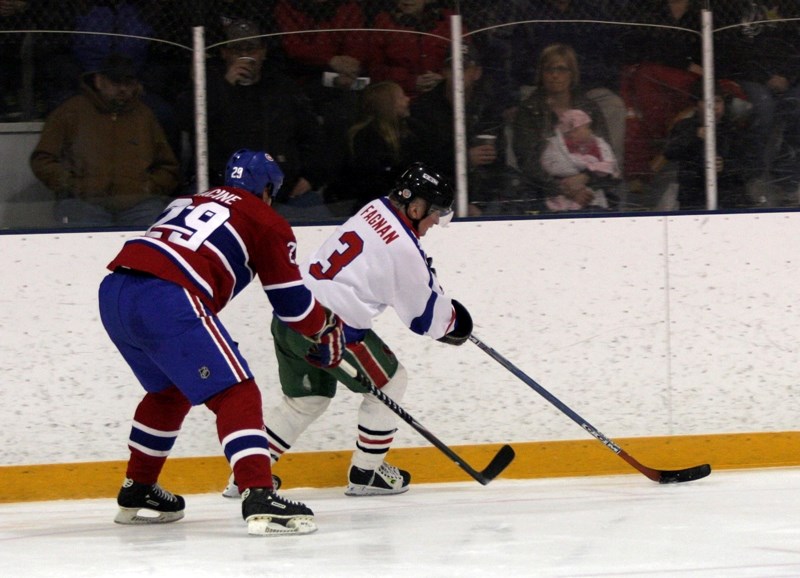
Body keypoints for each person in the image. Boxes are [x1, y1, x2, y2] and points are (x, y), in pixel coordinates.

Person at [98, 149, 346, 536]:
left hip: (116, 291)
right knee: (237, 392)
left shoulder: (189, 200)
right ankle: (259, 494)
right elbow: (292, 306)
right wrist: (326, 326)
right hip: (168, 295)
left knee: (169, 392)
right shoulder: (266, 219)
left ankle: (139, 488)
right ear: (267, 189)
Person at [222, 161, 472, 498]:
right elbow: (424, 319)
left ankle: (245, 477)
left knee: (305, 400)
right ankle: (367, 473)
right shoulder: (404, 248)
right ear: (415, 207)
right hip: (332, 330)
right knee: (392, 381)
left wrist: (424, 280)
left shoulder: (375, 208)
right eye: (433, 215)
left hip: (291, 316)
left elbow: (393, 269)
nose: (433, 224)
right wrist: (456, 323)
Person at [176, 18, 329, 218]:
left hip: (282, 193)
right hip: (223, 193)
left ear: (263, 52)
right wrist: (226, 86)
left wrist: (311, 176)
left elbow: (313, 136)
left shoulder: (283, 89)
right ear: (224, 53)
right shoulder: (208, 88)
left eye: (252, 49)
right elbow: (188, 122)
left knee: (319, 217)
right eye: (237, 50)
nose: (246, 55)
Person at [30, 53, 180, 227]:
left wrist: (148, 188)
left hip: (139, 205)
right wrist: (71, 185)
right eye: (116, 82)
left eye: (128, 83)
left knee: (155, 227)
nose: (123, 89)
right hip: (83, 203)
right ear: (99, 81)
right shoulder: (70, 112)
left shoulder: (145, 116)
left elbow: (168, 166)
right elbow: (43, 159)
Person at [411, 44, 528, 216]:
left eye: (464, 68)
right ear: (444, 72)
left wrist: (478, 203)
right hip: (439, 186)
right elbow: (421, 161)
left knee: (516, 185)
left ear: (477, 73)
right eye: (452, 68)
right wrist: (464, 158)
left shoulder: (489, 106)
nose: (458, 73)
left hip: (481, 189)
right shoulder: (424, 108)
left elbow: (497, 161)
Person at [512, 43, 618, 212]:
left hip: (589, 190)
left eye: (561, 69)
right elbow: (528, 162)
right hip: (545, 192)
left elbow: (607, 155)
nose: (555, 75)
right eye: (549, 70)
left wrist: (584, 179)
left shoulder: (589, 108)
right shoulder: (529, 110)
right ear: (541, 74)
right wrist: (563, 189)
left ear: (572, 74)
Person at [328, 80, 423, 213]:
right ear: (388, 104)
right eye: (402, 97)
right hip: (368, 206)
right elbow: (369, 178)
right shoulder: (365, 136)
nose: (407, 100)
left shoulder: (411, 131)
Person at [662, 81, 752, 210]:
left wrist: (726, 167)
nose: (714, 107)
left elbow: (749, 166)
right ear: (696, 106)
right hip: (693, 199)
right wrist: (694, 136)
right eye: (707, 102)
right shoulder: (685, 126)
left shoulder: (733, 130)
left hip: (729, 200)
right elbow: (670, 152)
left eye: (718, 101)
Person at [369, 0, 459, 99]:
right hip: (400, 96)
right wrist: (410, 81)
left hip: (444, 93)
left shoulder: (448, 20)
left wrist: (444, 78)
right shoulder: (383, 22)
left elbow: (465, 59)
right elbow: (374, 68)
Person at [540, 108, 621, 211]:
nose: (589, 131)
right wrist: (572, 178)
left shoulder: (598, 145)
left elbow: (610, 166)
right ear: (572, 132)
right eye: (585, 128)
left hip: (593, 197)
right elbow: (550, 164)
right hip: (563, 196)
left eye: (588, 127)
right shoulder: (556, 146)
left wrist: (588, 172)